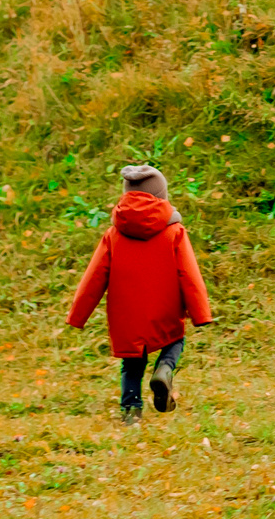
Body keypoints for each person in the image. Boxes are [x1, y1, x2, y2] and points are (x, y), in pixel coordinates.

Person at [67, 164, 213, 425]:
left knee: (132, 363)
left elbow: (94, 277)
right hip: (165, 309)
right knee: (175, 340)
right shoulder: (174, 232)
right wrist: (201, 314)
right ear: (161, 195)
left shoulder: (113, 234)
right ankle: (165, 368)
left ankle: (131, 412)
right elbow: (189, 275)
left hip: (126, 314)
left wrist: (78, 315)